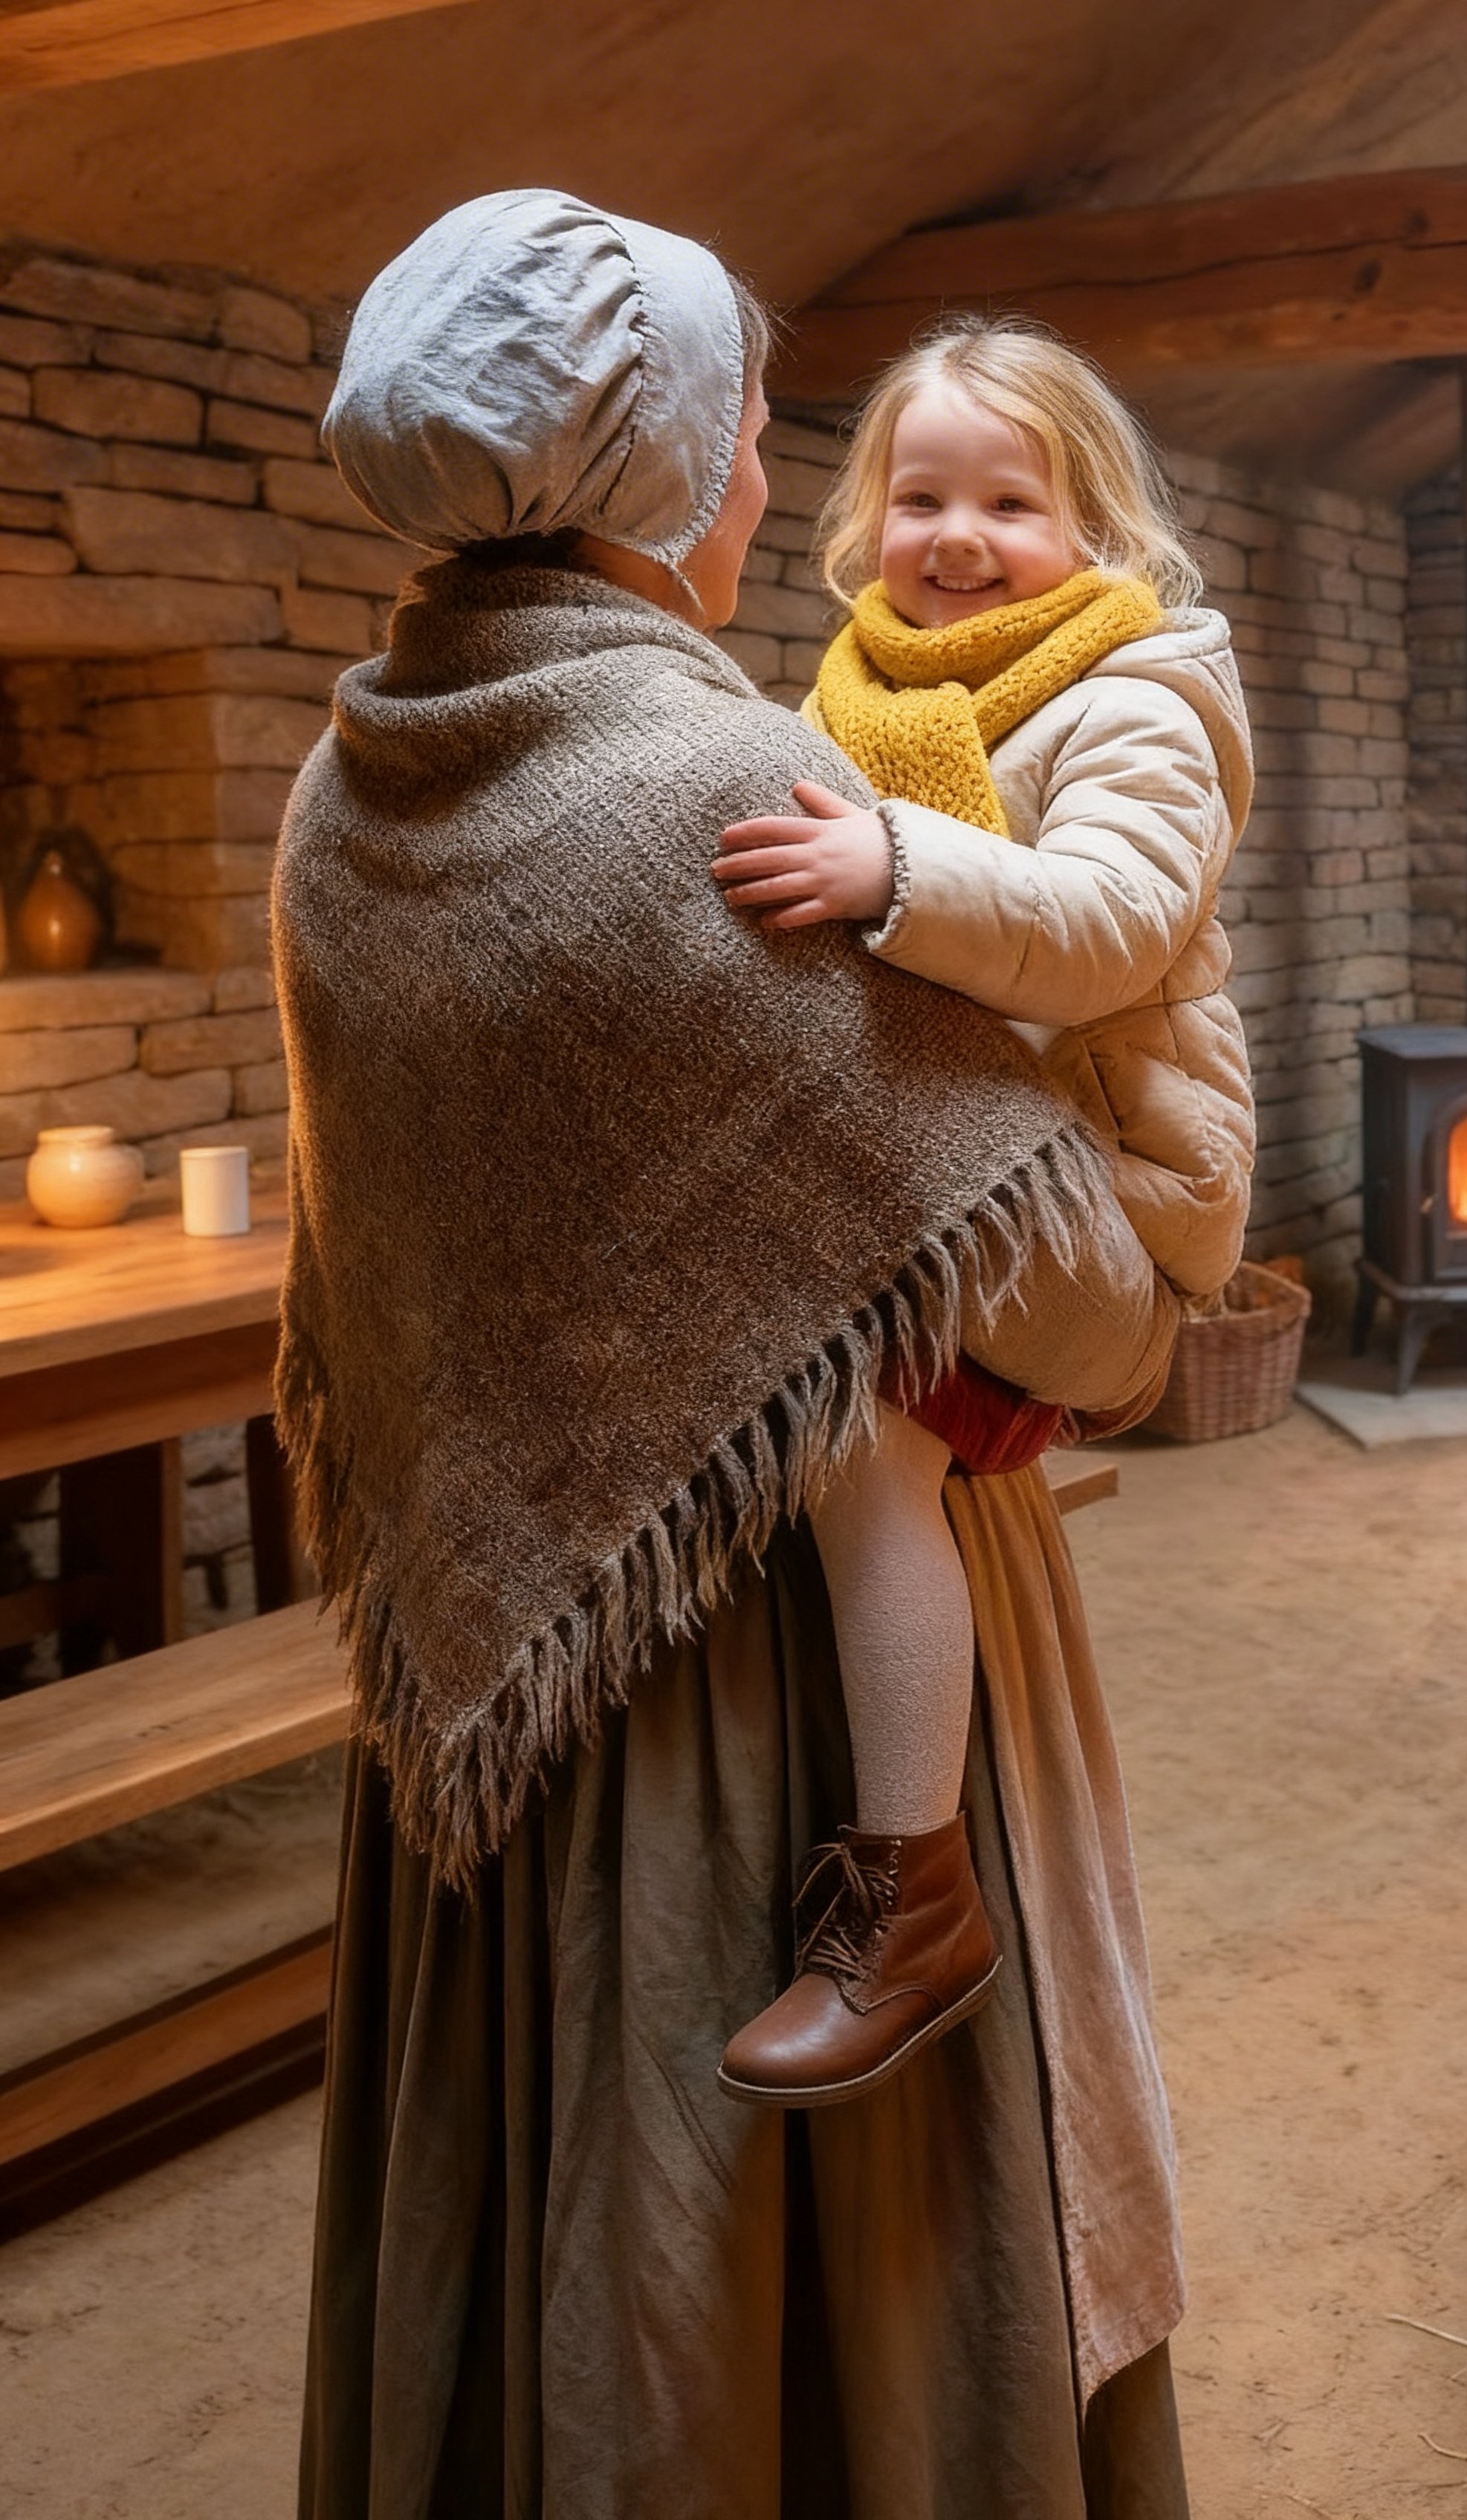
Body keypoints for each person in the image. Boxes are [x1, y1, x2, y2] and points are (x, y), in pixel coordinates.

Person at [286, 189, 1191, 2513]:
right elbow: (1071, 1309)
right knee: (781, 2271)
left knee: (547, 2212)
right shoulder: (729, 800)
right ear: (672, 466)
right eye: (759, 430)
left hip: (498, 1653)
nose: (788, 484)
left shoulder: (344, 789)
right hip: (754, 1685)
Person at [705, 320, 1254, 2106]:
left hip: (1115, 1188)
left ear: (1098, 530)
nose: (958, 532)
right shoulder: (852, 700)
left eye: (1010, 501)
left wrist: (892, 870)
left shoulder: (1138, 698)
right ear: (865, 517)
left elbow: (1108, 922)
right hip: (956, 1158)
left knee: (865, 1441)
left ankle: (912, 1886)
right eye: (922, 493)